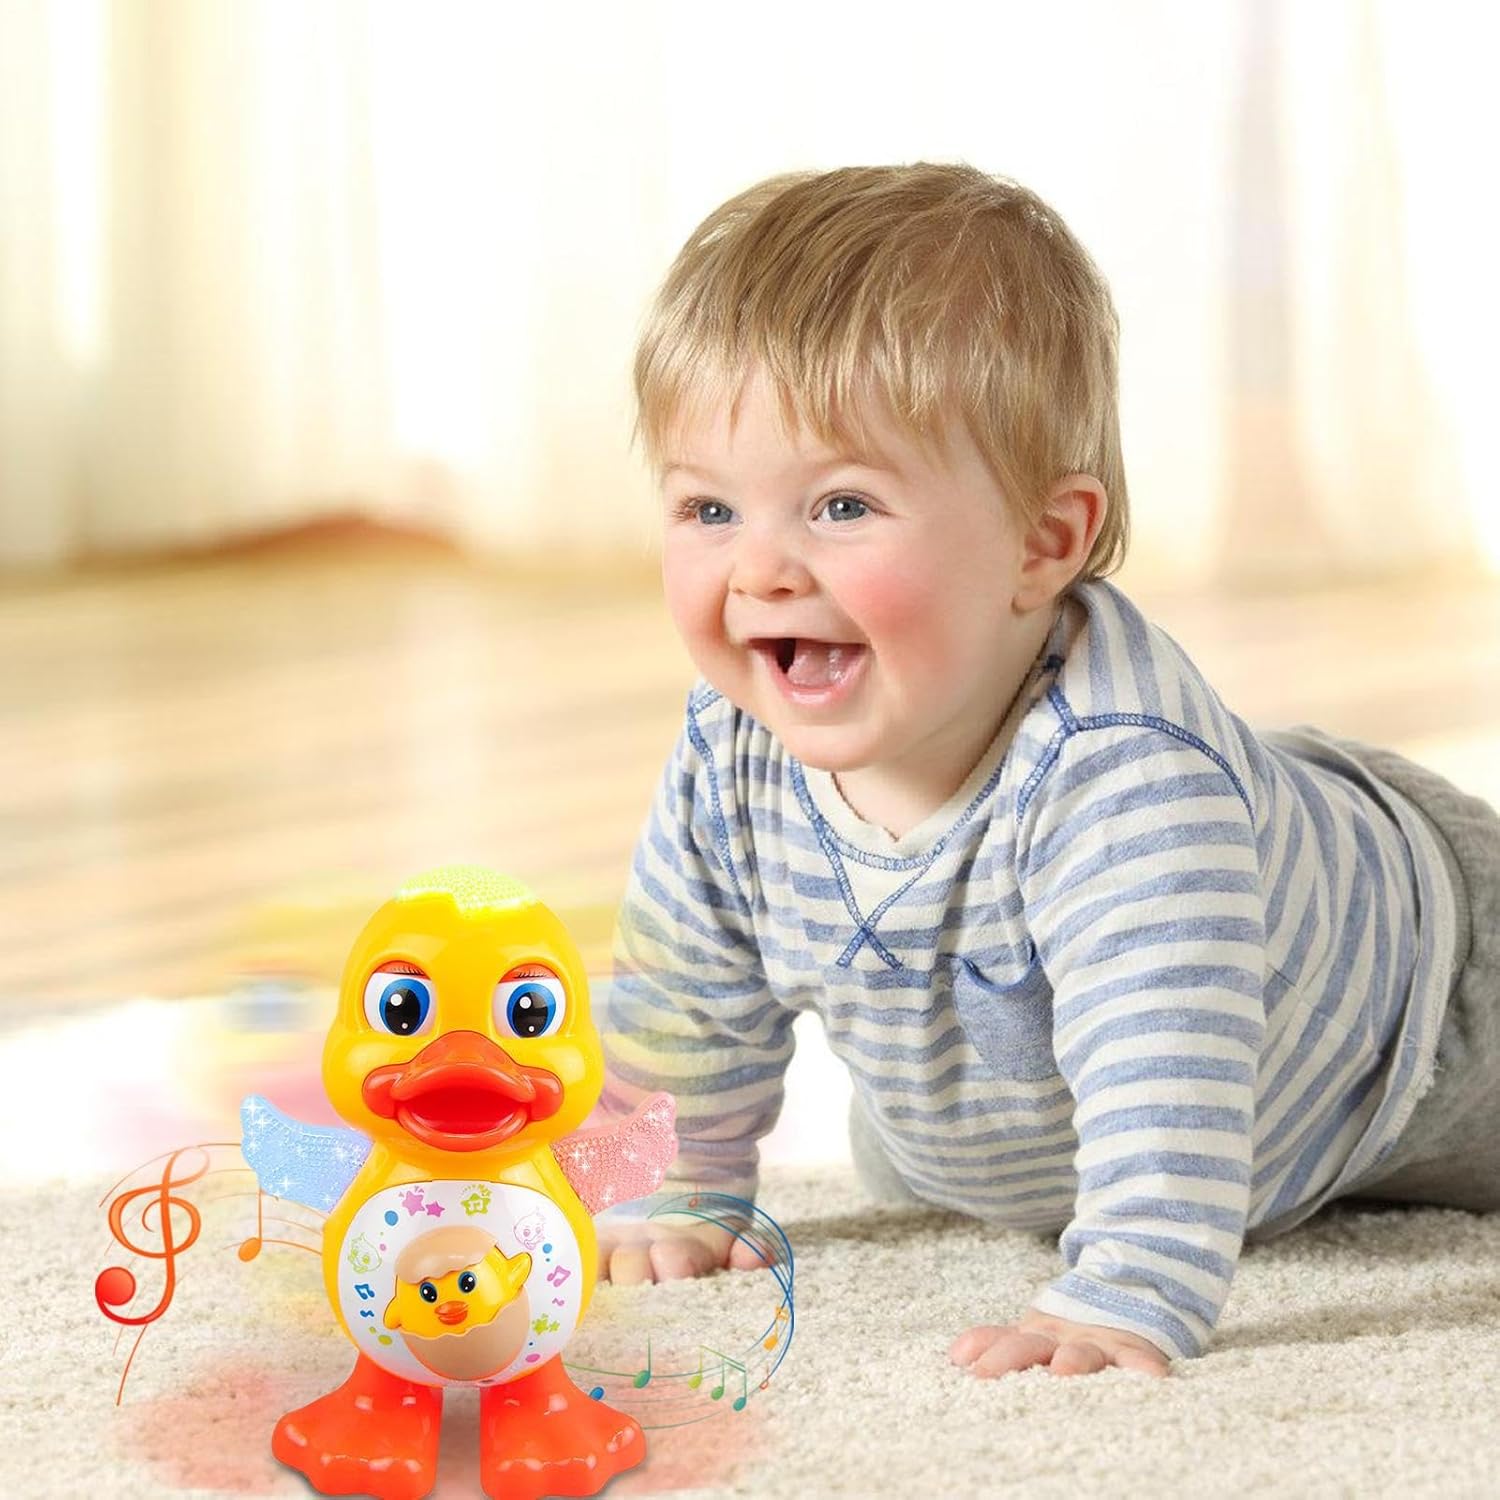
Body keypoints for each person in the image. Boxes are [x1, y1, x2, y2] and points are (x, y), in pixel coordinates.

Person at [592, 162, 1500, 1379]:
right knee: (915, 1151)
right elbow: (684, 998)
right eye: (709, 511)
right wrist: (669, 1183)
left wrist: (1127, 1290)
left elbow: (1169, 1073)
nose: (760, 570)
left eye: (842, 506)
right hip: (1025, 1082)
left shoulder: (1126, 784)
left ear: (1042, 542)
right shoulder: (728, 753)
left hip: (1426, 1001)